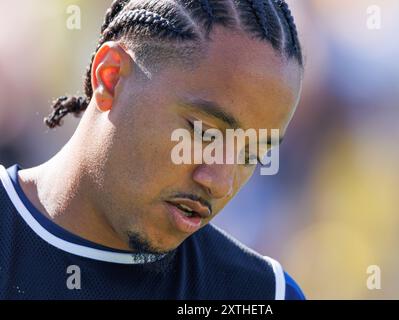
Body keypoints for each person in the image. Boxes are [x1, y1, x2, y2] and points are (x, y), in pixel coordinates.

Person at [0, 0, 305, 299]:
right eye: (205, 134)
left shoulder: (263, 294)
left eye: (251, 155)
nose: (219, 183)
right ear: (111, 76)